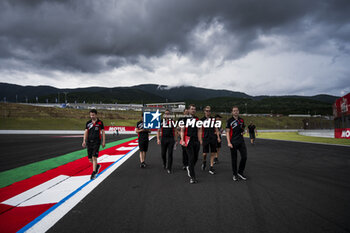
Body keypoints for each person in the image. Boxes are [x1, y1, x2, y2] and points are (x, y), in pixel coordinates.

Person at [180, 104, 202, 184]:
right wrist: (182, 140)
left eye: (194, 109)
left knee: (195, 158)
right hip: (188, 140)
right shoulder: (184, 119)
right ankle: (193, 177)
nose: (193, 110)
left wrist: (200, 140)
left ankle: (189, 166)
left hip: (196, 140)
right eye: (192, 109)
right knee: (191, 157)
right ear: (188, 110)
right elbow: (182, 130)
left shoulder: (197, 119)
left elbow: (199, 130)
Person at [82, 109, 106, 180]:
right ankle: (97, 166)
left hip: (97, 141)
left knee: (94, 157)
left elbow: (103, 132)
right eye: (90, 115)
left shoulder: (100, 123)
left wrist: (103, 141)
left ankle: (94, 172)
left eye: (93, 115)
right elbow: (86, 132)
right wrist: (84, 140)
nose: (92, 116)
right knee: (90, 159)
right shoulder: (88, 123)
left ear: (96, 115)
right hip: (89, 142)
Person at [226, 106, 247, 181]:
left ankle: (240, 172)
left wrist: (243, 131)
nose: (236, 112)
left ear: (238, 111)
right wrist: (229, 142)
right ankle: (234, 174)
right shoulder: (229, 121)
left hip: (241, 141)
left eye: (237, 110)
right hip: (233, 142)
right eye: (234, 111)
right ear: (232, 112)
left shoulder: (241, 120)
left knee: (244, 157)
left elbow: (242, 129)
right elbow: (227, 132)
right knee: (234, 159)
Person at [200, 106, 221, 175]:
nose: (208, 112)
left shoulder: (213, 119)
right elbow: (200, 130)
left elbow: (216, 129)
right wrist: (200, 139)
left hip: (213, 138)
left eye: (209, 111)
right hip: (205, 138)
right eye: (206, 111)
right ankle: (204, 161)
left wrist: (218, 137)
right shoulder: (201, 120)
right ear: (204, 111)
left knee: (213, 153)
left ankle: (211, 167)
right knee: (205, 154)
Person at [157, 109, 177, 174]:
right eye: (166, 113)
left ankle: (169, 168)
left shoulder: (173, 122)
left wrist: (176, 140)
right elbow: (158, 130)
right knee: (163, 153)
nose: (167, 115)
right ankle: (164, 163)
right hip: (163, 139)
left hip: (171, 139)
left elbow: (175, 131)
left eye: (168, 113)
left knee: (170, 154)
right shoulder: (161, 121)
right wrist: (158, 139)